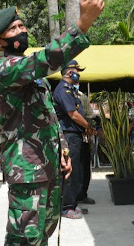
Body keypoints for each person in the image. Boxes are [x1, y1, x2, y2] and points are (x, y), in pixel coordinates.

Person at [0, 0, 104, 245]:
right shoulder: (6, 70)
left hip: (47, 165)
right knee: (25, 237)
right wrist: (82, 24)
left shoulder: (32, 77)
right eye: (13, 29)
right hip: (26, 170)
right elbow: (45, 59)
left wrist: (62, 151)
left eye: (21, 26)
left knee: (42, 232)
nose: (21, 31)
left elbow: (48, 115)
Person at [53, 60, 97, 219]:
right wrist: (88, 127)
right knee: (70, 172)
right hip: (68, 136)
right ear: (69, 72)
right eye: (77, 70)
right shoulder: (63, 90)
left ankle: (72, 203)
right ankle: (66, 207)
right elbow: (73, 114)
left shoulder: (70, 91)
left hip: (74, 136)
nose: (78, 73)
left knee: (77, 171)